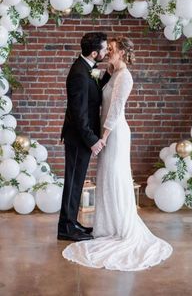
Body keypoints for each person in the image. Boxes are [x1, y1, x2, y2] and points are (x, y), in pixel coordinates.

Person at [62, 36, 173, 271]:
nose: (107, 52)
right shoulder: (103, 73)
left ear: (121, 52)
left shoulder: (125, 77)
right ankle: (97, 226)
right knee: (104, 177)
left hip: (114, 133)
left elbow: (114, 111)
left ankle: (117, 226)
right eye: (106, 49)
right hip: (99, 134)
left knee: (115, 176)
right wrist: (97, 137)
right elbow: (90, 101)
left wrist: (102, 138)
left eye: (111, 49)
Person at [58, 32, 111, 242]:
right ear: (94, 52)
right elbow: (78, 113)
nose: (107, 53)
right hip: (78, 137)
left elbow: (94, 92)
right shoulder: (80, 73)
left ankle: (72, 222)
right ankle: (66, 228)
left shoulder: (87, 67)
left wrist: (110, 73)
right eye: (105, 50)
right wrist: (92, 140)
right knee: (73, 182)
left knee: (77, 182)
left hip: (81, 136)